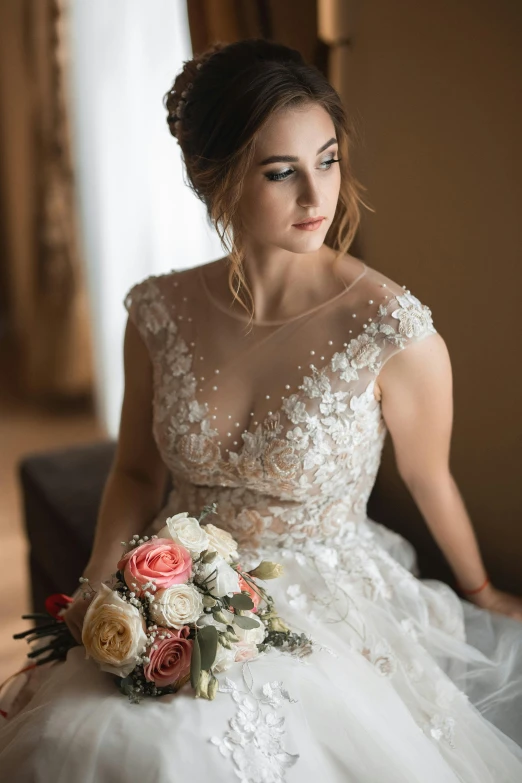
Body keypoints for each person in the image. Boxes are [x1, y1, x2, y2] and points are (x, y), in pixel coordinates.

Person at [1, 37, 522, 783]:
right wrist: (99, 577)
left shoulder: (392, 328)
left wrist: (481, 593)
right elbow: (136, 471)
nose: (318, 196)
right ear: (213, 180)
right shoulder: (157, 309)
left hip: (330, 598)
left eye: (328, 159)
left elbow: (429, 475)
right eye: (282, 173)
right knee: (84, 740)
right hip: (170, 584)